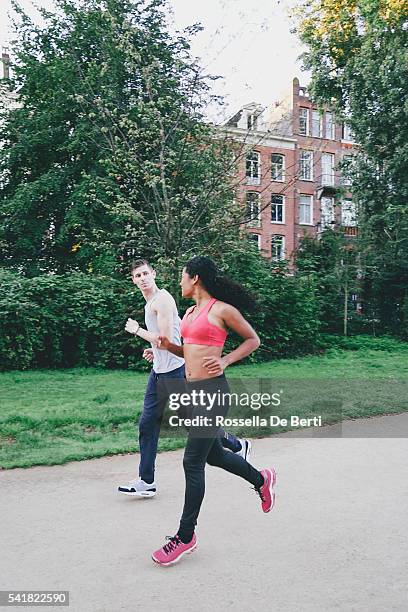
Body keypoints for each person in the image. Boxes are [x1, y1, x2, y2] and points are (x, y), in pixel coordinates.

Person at [151, 256, 276, 566]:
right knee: (214, 455)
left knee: (192, 462)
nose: (179, 282)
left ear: (195, 279)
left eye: (182, 277)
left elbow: (252, 339)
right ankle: (261, 479)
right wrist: (169, 347)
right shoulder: (190, 313)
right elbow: (190, 351)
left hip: (213, 393)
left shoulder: (221, 310)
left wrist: (225, 360)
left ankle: (185, 536)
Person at [118, 259, 250, 498]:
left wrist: (137, 330)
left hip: (175, 373)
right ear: (133, 280)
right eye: (138, 276)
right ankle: (146, 481)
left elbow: (166, 338)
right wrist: (153, 350)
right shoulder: (151, 303)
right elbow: (167, 340)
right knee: (148, 424)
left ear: (154, 274)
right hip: (159, 372)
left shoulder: (163, 300)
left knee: (194, 425)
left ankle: (235, 444)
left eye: (146, 273)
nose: (143, 278)